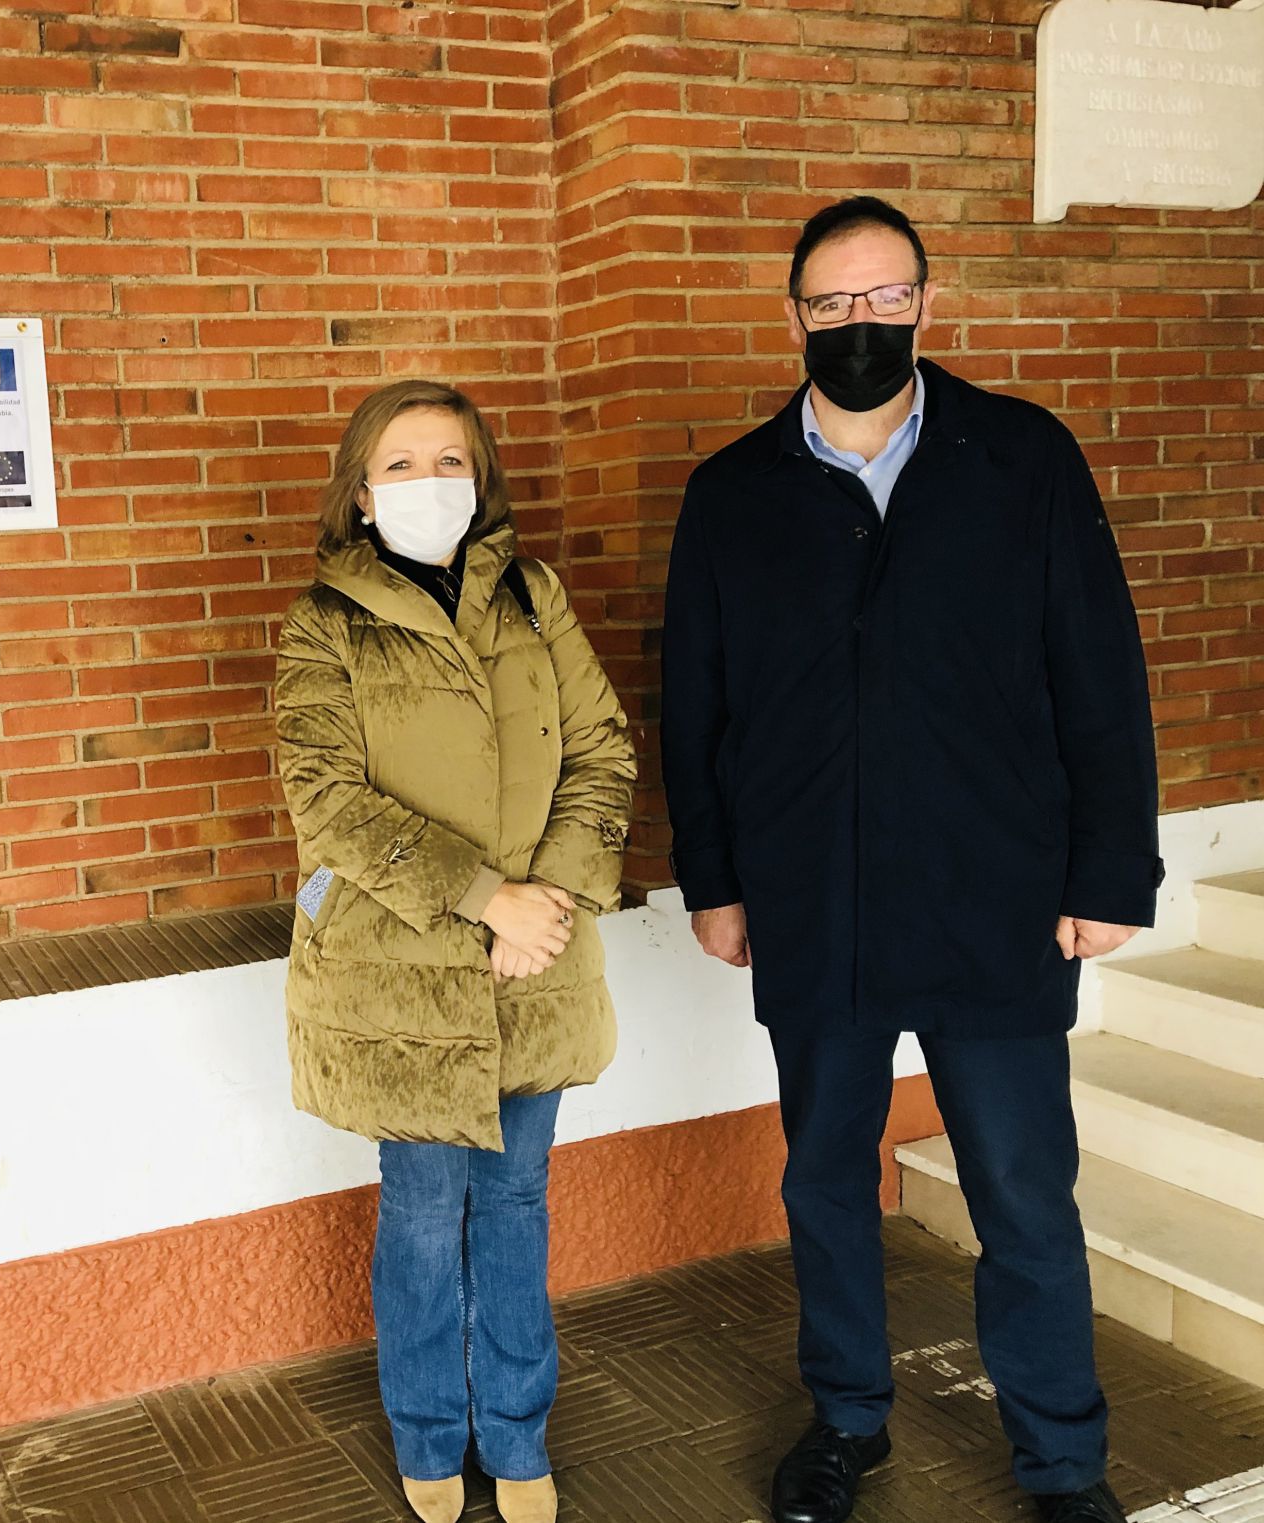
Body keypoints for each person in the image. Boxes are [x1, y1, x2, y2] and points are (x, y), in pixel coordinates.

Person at [660, 196, 1163, 1523]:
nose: (862, 322)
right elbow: (693, 706)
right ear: (794, 317)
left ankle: (1063, 1458)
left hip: (994, 892)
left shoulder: (1023, 457)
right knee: (825, 1176)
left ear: (928, 304)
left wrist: (1109, 870)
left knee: (1021, 1189)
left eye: (886, 297)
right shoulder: (732, 494)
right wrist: (714, 878)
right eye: (834, 302)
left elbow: (1097, 671)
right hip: (811, 897)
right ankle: (845, 1416)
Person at [274, 380, 637, 1523]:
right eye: (399, 464)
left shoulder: (533, 597)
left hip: (537, 959)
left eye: (449, 460)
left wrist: (547, 902)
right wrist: (488, 900)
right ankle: (429, 1431)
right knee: (424, 1211)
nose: (427, 482)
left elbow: (601, 748)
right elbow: (327, 799)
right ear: (359, 492)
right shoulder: (325, 622)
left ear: (479, 478)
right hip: (404, 972)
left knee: (517, 1200)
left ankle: (517, 1432)